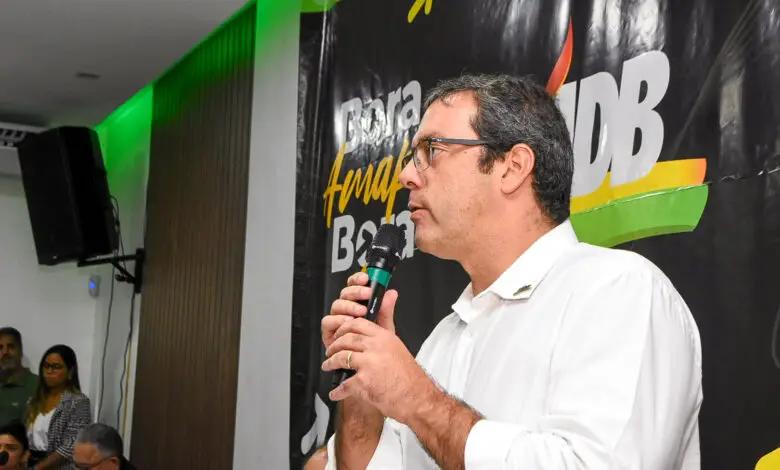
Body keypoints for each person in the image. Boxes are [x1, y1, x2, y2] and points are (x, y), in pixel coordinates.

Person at [320, 74, 703, 469]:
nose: (406, 176)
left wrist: (418, 399)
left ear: (512, 168)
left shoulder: (618, 291)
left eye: (431, 150)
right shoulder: (444, 340)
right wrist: (361, 386)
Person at [25, 345, 91, 470]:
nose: (49, 371)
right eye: (46, 366)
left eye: (56, 367)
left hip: (60, 466)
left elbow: (71, 444)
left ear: (70, 372)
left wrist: (38, 468)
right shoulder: (33, 401)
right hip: (31, 463)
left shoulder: (78, 402)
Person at [0, 328, 38, 427]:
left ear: (20, 351)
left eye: (11, 347)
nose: (5, 352)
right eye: (0, 348)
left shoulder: (38, 385)